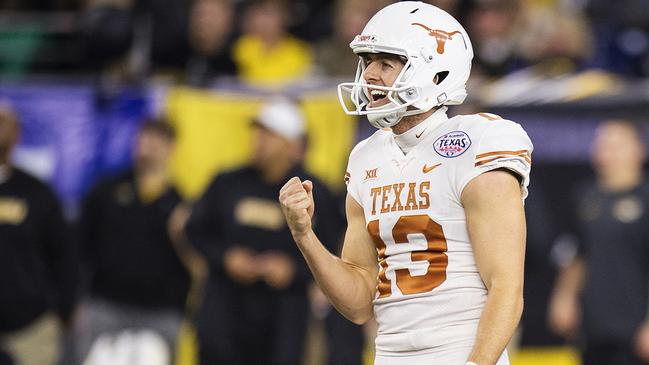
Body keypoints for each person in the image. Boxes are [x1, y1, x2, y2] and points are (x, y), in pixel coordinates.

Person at [279, 2, 533, 365]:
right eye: (368, 62)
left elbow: (506, 287)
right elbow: (358, 303)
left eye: (386, 63)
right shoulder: (366, 156)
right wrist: (305, 235)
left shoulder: (479, 141)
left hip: (461, 351)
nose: (370, 75)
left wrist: (478, 362)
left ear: (435, 71)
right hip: (390, 354)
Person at [185, 98, 342, 365]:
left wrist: (293, 269)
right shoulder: (227, 182)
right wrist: (226, 257)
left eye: (268, 135)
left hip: (283, 315)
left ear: (291, 145)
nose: (258, 140)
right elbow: (194, 230)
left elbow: (334, 249)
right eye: (257, 133)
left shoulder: (313, 192)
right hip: (225, 309)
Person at [74, 119, 191, 364]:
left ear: (171, 148)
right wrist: (76, 300)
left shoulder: (180, 203)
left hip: (160, 311)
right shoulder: (107, 190)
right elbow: (80, 245)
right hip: (106, 304)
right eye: (145, 139)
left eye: (157, 141)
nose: (149, 147)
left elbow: (195, 264)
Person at [548, 120, 649, 365]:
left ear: (638, 149)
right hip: (593, 326)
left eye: (615, 145)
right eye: (602, 144)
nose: (606, 152)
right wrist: (564, 296)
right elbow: (575, 252)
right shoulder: (584, 196)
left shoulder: (645, 198)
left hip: (637, 326)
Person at [0, 103, 77, 365]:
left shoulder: (37, 192)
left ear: (17, 134)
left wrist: (64, 311)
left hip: (31, 328)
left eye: (3, 123)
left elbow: (64, 256)